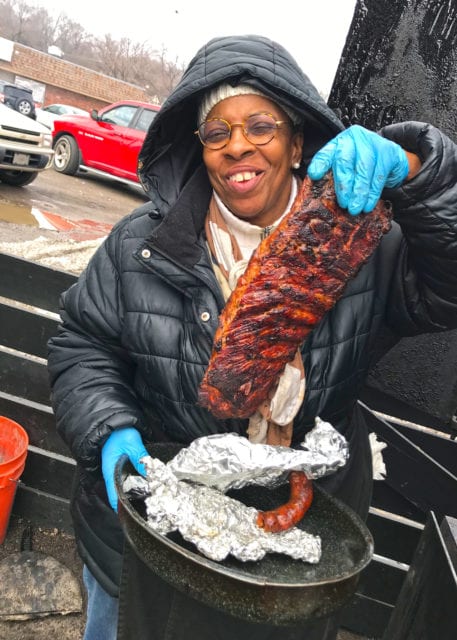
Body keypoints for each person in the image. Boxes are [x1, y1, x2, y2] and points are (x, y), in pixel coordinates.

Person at [47, 34, 457, 640]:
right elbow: (83, 344)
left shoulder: (367, 243)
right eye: (217, 132)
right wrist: (109, 429)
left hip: (296, 542)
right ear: (202, 149)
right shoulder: (142, 241)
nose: (238, 145)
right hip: (150, 532)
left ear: (296, 144)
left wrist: (421, 175)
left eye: (260, 126)